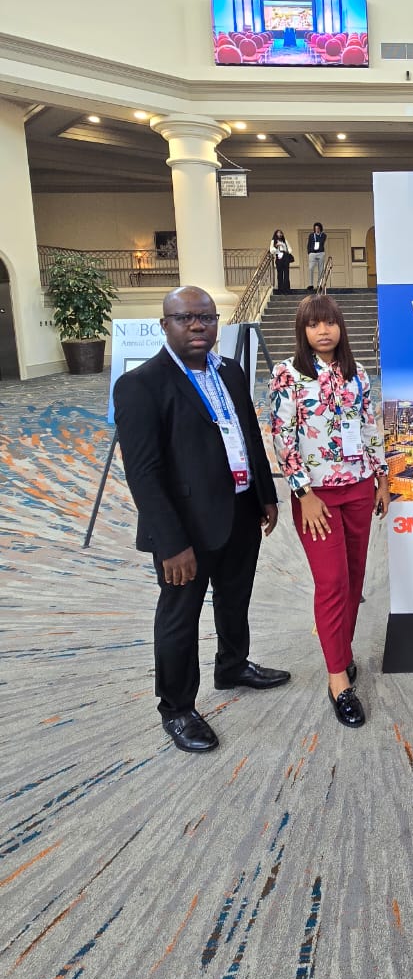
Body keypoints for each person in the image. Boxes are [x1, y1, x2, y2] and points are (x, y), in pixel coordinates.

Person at [114, 286, 288, 754]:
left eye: (206, 317)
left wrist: (265, 495)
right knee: (179, 617)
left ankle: (232, 665)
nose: (197, 325)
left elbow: (248, 432)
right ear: (164, 325)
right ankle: (177, 708)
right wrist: (170, 543)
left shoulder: (229, 371)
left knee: (235, 599)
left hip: (239, 509)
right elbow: (144, 473)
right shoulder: (141, 384)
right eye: (185, 317)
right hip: (184, 528)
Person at [269, 293, 389, 730]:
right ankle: (337, 679)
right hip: (316, 497)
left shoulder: (357, 375)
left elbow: (370, 425)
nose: (323, 331)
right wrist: (302, 493)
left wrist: (382, 478)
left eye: (330, 323)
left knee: (354, 578)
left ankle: (343, 650)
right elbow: (283, 436)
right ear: (302, 331)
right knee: (332, 581)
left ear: (341, 327)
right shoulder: (288, 375)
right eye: (313, 324)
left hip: (358, 488)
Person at [270, 229, 294, 293]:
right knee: (280, 273)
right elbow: (271, 250)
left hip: (285, 256)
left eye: (281, 233)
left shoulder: (285, 240)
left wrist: (287, 251)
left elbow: (290, 249)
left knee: (286, 273)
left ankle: (286, 289)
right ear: (276, 234)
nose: (280, 234)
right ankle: (280, 289)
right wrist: (276, 246)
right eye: (278, 233)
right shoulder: (273, 241)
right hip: (279, 256)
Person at [306, 222, 327, 291]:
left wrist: (319, 234)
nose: (316, 229)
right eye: (315, 228)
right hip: (312, 253)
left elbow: (321, 241)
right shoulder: (311, 235)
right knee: (310, 268)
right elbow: (309, 244)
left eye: (318, 228)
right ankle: (310, 284)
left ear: (320, 228)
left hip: (320, 253)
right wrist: (309, 252)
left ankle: (319, 284)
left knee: (321, 269)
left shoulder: (323, 235)